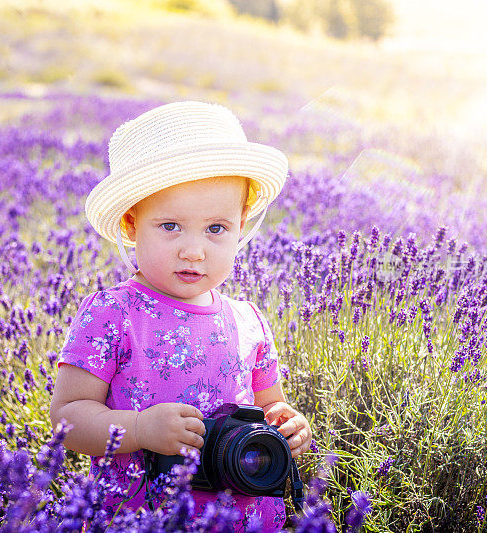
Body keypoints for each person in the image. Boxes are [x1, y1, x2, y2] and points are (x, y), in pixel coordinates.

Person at [49, 101, 312, 531]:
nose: (194, 250)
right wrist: (139, 429)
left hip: (243, 516)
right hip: (141, 517)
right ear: (132, 225)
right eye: (170, 226)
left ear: (241, 225)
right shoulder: (114, 314)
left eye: (216, 228)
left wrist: (289, 425)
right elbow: (68, 418)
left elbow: (270, 405)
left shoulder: (249, 321)